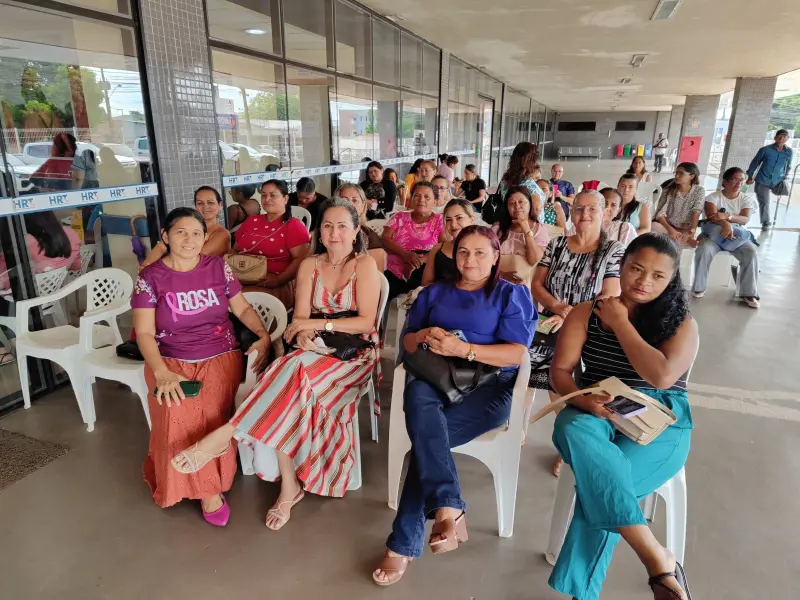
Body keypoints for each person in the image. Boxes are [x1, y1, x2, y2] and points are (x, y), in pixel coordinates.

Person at [171, 199, 381, 528]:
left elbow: (365, 322)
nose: (334, 233)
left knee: (290, 370)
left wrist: (316, 325)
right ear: (319, 232)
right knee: (292, 374)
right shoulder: (310, 265)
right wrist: (304, 333)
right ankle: (288, 485)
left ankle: (231, 435)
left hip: (352, 356)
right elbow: (299, 319)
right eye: (328, 226)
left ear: (356, 231)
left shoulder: (364, 265)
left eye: (342, 226)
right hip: (312, 351)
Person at [372, 225, 536, 587]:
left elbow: (516, 354)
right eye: (463, 252)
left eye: (480, 252)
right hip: (437, 378)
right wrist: (424, 336)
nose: (470, 260)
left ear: (495, 257)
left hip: (490, 388)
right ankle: (447, 507)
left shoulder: (510, 294)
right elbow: (408, 343)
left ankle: (404, 542)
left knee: (429, 441)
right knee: (418, 396)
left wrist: (465, 349)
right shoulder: (434, 293)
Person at [547, 232, 697, 600]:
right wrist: (586, 402)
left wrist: (621, 323)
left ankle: (585, 593)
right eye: (636, 269)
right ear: (622, 266)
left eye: (658, 276)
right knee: (573, 427)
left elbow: (661, 376)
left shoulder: (682, 324)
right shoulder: (586, 312)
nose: (644, 281)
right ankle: (656, 556)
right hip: (596, 405)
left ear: (671, 280)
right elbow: (560, 372)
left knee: (604, 485)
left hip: (661, 419)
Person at [132, 207, 270, 525]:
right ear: (165, 236)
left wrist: (262, 334)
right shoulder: (150, 278)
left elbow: (242, 309)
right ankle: (198, 487)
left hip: (220, 356)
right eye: (181, 232)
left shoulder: (218, 268)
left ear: (205, 238)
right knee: (177, 410)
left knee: (208, 413)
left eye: (196, 233)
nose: (189, 239)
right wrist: (162, 372)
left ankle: (208, 490)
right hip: (168, 360)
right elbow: (144, 333)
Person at [531, 191, 625, 478]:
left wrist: (570, 317)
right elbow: (537, 284)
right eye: (579, 209)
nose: (584, 214)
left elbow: (609, 296)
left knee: (564, 367)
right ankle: (527, 428)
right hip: (552, 320)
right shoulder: (557, 244)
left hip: (592, 326)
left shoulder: (614, 250)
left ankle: (571, 440)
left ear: (605, 213)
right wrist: (558, 308)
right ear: (571, 213)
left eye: (592, 209)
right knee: (525, 361)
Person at [231, 179, 311, 308]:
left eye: (273, 195)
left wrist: (279, 280)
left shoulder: (294, 226)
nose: (267, 199)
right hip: (242, 277)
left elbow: (300, 260)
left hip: (274, 284)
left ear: (285, 199)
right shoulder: (252, 220)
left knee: (238, 300)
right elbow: (234, 250)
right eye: (264, 195)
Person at [692, 167, 760, 308]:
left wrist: (728, 217)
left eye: (742, 180)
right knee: (704, 249)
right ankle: (699, 287)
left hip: (737, 237)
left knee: (751, 252)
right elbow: (712, 217)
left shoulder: (746, 199)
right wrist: (726, 224)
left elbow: (744, 220)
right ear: (725, 181)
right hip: (715, 235)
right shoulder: (713, 197)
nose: (739, 183)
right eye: (735, 180)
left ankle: (748, 293)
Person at [382, 181, 444, 299]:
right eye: (417, 195)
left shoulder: (439, 220)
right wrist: (405, 254)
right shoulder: (399, 217)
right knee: (380, 291)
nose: (421, 200)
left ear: (435, 201)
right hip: (394, 272)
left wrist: (422, 260)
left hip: (424, 270)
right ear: (411, 198)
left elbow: (444, 245)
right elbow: (385, 238)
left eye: (427, 197)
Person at [143, 186, 230, 268]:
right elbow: (162, 247)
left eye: (210, 202)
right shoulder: (187, 228)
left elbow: (193, 257)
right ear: (195, 206)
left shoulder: (222, 234)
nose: (205, 207)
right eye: (200, 203)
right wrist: (145, 268)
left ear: (220, 205)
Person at [492, 186, 549, 284]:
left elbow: (534, 260)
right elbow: (485, 259)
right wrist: (501, 275)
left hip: (526, 284)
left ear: (530, 204)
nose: (517, 206)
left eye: (521, 202)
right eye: (512, 203)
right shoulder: (498, 229)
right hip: (498, 281)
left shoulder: (539, 229)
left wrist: (526, 229)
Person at [746, 128, 793, 230]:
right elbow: (755, 162)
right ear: (775, 138)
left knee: (786, 193)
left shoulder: (789, 152)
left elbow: (788, 166)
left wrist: (785, 176)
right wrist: (750, 176)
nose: (782, 139)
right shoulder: (765, 150)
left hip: (777, 180)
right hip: (763, 180)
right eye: (780, 137)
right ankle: (766, 223)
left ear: (787, 139)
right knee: (765, 202)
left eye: (784, 137)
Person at [421, 198, 476, 285]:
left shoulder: (481, 249)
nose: (453, 224)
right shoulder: (437, 249)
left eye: (459, 218)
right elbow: (425, 283)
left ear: (471, 219)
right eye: (449, 220)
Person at [335, 182, 386, 272]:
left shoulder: (370, 237)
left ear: (363, 205)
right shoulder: (326, 232)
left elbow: (377, 275)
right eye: (344, 200)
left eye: (355, 200)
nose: (350, 205)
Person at [652, 163, 705, 249]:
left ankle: (684, 238)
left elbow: (696, 212)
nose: (676, 176)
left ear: (692, 176)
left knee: (678, 240)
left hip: (686, 229)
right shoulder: (669, 190)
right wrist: (671, 230)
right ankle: (685, 239)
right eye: (676, 173)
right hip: (669, 227)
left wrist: (691, 233)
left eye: (681, 173)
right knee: (654, 226)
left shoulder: (699, 191)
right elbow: (660, 214)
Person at [498, 142, 547, 209]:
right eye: (533, 159)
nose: (535, 162)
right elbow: (537, 208)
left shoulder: (506, 178)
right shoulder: (527, 183)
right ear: (525, 159)